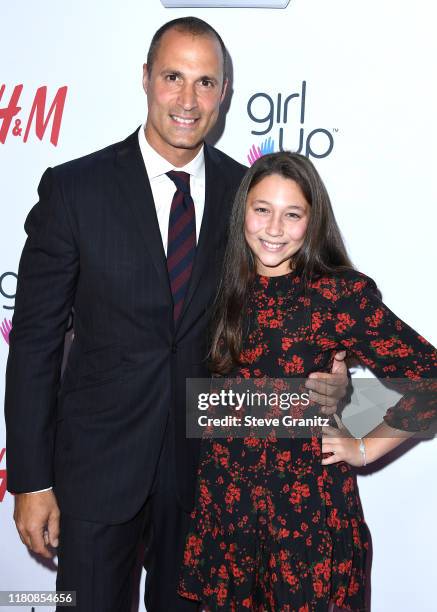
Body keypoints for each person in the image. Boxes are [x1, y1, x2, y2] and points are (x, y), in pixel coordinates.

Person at [4, 19, 348, 612]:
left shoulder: (252, 200)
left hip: (210, 479)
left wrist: (334, 390)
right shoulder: (74, 191)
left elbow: (286, 331)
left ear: (224, 95)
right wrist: (31, 481)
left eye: (205, 82)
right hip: (94, 475)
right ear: (145, 80)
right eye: (173, 77)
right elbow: (33, 343)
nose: (188, 100)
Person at [177, 152, 437, 611]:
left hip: (305, 524)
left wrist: (365, 446)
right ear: (243, 213)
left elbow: (428, 376)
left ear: (312, 221)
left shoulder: (337, 295)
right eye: (262, 210)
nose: (274, 229)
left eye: (292, 214)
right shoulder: (216, 285)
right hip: (226, 519)